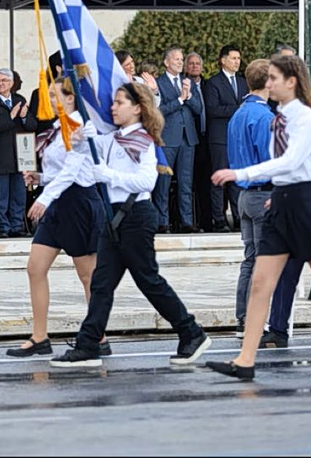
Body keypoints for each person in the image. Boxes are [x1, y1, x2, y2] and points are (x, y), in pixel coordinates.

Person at [206, 55, 311, 380]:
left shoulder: (305, 118)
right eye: (267, 78)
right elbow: (283, 166)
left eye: (273, 78)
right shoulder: (279, 117)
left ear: (291, 82)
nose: (267, 84)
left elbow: (291, 160)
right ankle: (245, 360)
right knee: (261, 283)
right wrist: (277, 197)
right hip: (284, 200)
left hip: (306, 202)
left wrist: (239, 173)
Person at [51, 82, 211, 368]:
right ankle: (88, 344)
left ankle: (192, 332)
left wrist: (110, 175)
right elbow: (77, 146)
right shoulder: (113, 138)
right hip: (114, 217)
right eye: (114, 102)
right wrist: (80, 135)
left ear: (137, 108)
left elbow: (147, 181)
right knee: (102, 284)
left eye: (120, 102)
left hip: (135, 215)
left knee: (148, 281)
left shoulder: (142, 140)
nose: (113, 107)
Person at [7, 79, 104, 358]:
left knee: (87, 276)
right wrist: (40, 178)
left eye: (55, 94)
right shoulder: (56, 127)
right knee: (35, 268)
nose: (49, 99)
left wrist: (44, 197)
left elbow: (74, 171)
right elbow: (59, 171)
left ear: (71, 98)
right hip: (58, 203)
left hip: (79, 203)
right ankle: (39, 337)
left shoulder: (80, 128)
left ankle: (98, 336)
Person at [227, 59, 274, 337]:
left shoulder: (239, 113)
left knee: (250, 259)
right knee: (263, 260)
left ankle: (244, 319)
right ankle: (257, 320)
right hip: (263, 192)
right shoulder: (264, 117)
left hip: (244, 193)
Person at [154, 47, 202, 234]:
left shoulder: (187, 82)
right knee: (163, 182)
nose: (180, 62)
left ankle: (187, 221)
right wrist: (180, 100)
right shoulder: (159, 83)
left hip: (187, 138)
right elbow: (159, 111)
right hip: (168, 138)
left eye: (181, 59)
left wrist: (189, 96)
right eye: (176, 59)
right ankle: (162, 221)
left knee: (186, 182)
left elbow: (198, 109)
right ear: (166, 62)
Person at [0, 68, 36, 238]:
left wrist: (23, 117)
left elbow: (32, 125)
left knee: (19, 193)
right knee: (0, 194)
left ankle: (16, 226)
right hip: (0, 154)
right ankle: (2, 227)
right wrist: (11, 116)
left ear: (12, 83)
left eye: (4, 80)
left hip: (20, 154)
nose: (0, 83)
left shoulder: (20, 100)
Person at [204, 45, 248, 233]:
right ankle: (219, 219)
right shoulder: (213, 83)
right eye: (233, 58)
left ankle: (239, 217)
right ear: (223, 60)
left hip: (239, 139)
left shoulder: (243, 82)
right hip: (220, 138)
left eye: (238, 58)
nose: (237, 62)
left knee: (238, 179)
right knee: (220, 180)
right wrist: (238, 108)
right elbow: (213, 109)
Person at [186, 52, 211, 233]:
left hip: (208, 138)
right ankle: (191, 220)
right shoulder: (182, 85)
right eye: (191, 63)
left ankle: (208, 220)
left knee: (208, 182)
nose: (195, 66)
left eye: (197, 63)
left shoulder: (209, 86)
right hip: (189, 138)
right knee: (190, 181)